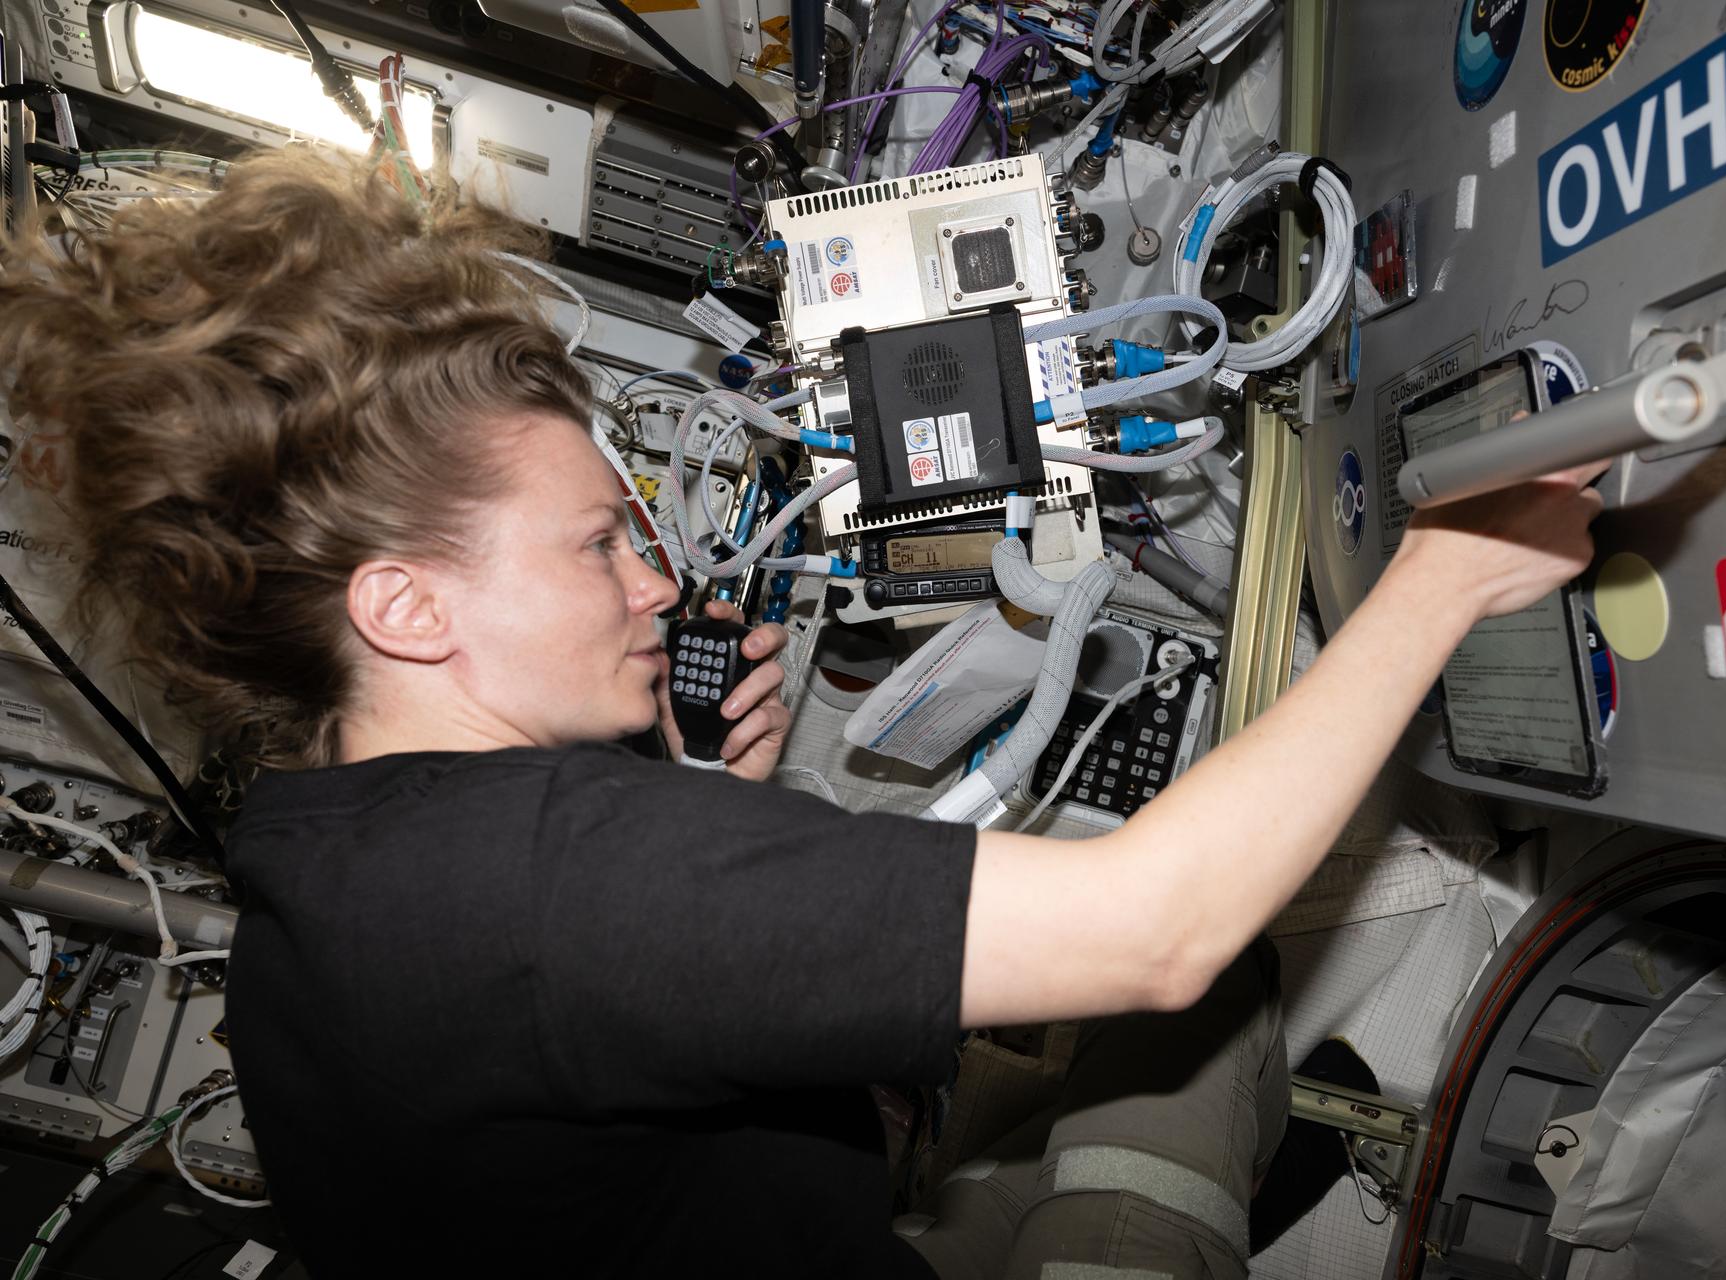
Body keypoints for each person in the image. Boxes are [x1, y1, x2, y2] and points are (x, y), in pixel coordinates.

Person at [0, 152, 1605, 1277]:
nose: (655, 581)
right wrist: (1444, 574)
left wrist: (701, 800)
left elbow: (571, 1002)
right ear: (407, 612)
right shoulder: (561, 881)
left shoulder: (323, 864)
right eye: (598, 544)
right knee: (1209, 1011)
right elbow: (1159, 930)